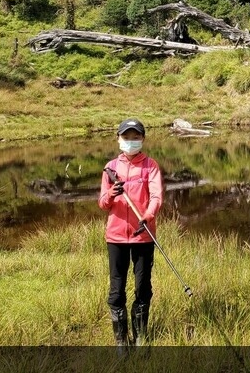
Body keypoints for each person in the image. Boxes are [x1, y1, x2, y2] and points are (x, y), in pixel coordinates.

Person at [98, 118, 164, 351]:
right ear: (118, 139)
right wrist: (111, 195)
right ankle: (120, 341)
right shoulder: (110, 168)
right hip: (115, 238)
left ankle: (140, 337)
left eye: (136, 137)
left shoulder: (151, 166)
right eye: (126, 137)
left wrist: (148, 215)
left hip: (143, 236)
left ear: (143, 139)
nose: (131, 141)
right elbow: (103, 204)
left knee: (143, 287)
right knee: (117, 290)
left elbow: (156, 197)